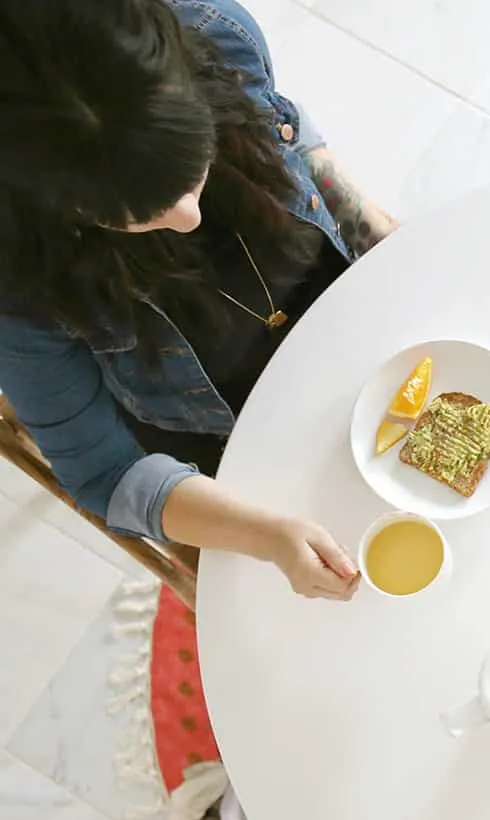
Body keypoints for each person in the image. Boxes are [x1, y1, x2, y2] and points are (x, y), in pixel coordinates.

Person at [0, 0, 398, 600]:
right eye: (139, 213)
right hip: (230, 441)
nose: (188, 218)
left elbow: (300, 149)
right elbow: (104, 472)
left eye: (192, 169)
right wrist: (268, 536)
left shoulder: (216, 36)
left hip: (350, 320)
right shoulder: (21, 280)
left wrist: (389, 245)